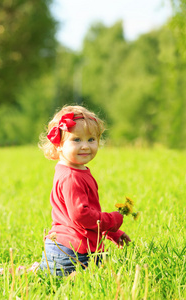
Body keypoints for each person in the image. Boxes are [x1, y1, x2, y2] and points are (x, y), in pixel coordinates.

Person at [38, 105, 131, 276]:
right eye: (76, 140)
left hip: (67, 247)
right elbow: (81, 216)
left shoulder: (72, 171)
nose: (85, 146)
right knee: (111, 276)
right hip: (71, 254)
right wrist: (112, 221)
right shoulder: (72, 177)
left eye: (91, 140)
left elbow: (87, 216)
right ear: (58, 144)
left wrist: (112, 233)